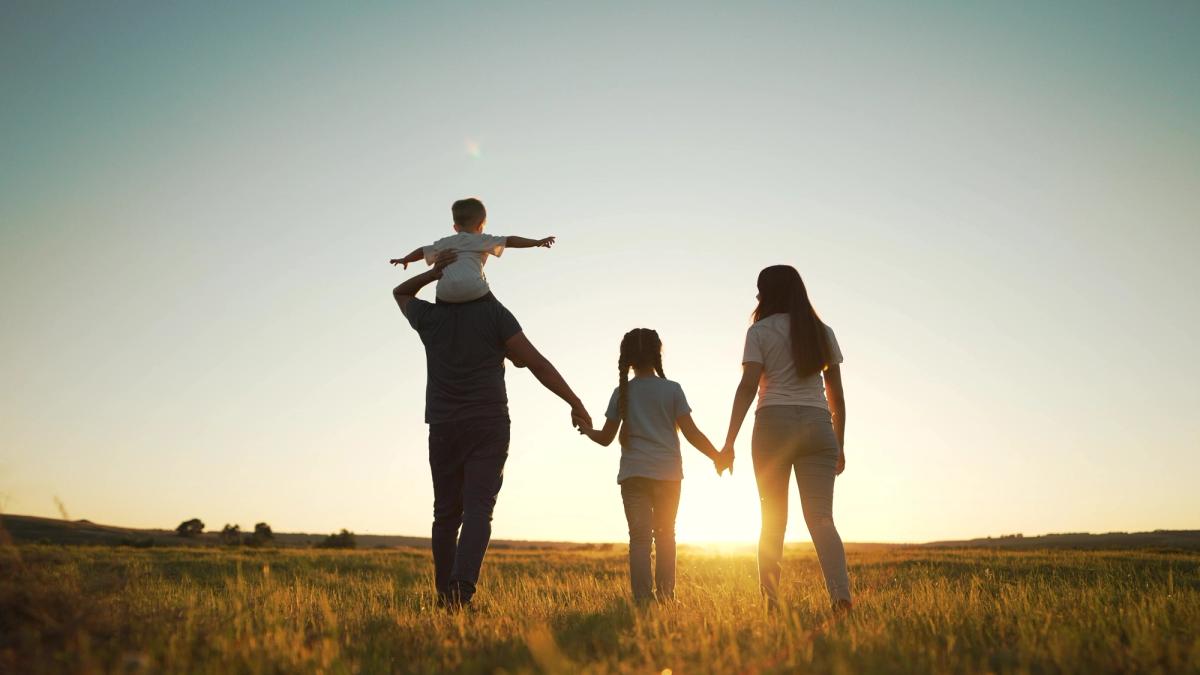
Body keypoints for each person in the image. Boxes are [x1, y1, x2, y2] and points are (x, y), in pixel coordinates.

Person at [393, 250, 591, 608]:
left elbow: (401, 293)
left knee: (445, 514)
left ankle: (445, 595)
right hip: (488, 423)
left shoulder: (430, 316)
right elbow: (536, 363)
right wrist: (574, 402)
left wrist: (432, 274)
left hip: (443, 425)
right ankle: (461, 590)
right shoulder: (494, 313)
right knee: (479, 510)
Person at [719, 265, 852, 611]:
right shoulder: (822, 332)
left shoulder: (759, 332)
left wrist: (729, 442)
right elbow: (835, 393)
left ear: (766, 293)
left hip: (773, 425)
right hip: (818, 425)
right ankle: (841, 598)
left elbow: (749, 386)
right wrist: (839, 442)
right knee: (822, 518)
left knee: (772, 519)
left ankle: (772, 604)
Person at [578, 328, 730, 603]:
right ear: (658, 353)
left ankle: (643, 601)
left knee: (639, 540)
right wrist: (717, 455)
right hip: (669, 476)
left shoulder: (621, 392)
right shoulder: (672, 390)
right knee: (666, 536)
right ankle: (667, 597)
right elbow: (692, 432)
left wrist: (587, 430)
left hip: (634, 476)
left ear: (627, 359)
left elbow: (605, 438)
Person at [390, 197, 555, 303]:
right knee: (498, 312)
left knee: (442, 301)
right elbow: (511, 240)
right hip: (474, 289)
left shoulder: (445, 242)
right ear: (481, 225)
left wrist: (405, 259)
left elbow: (422, 251)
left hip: (445, 293)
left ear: (455, 227)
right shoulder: (481, 239)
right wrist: (536, 242)